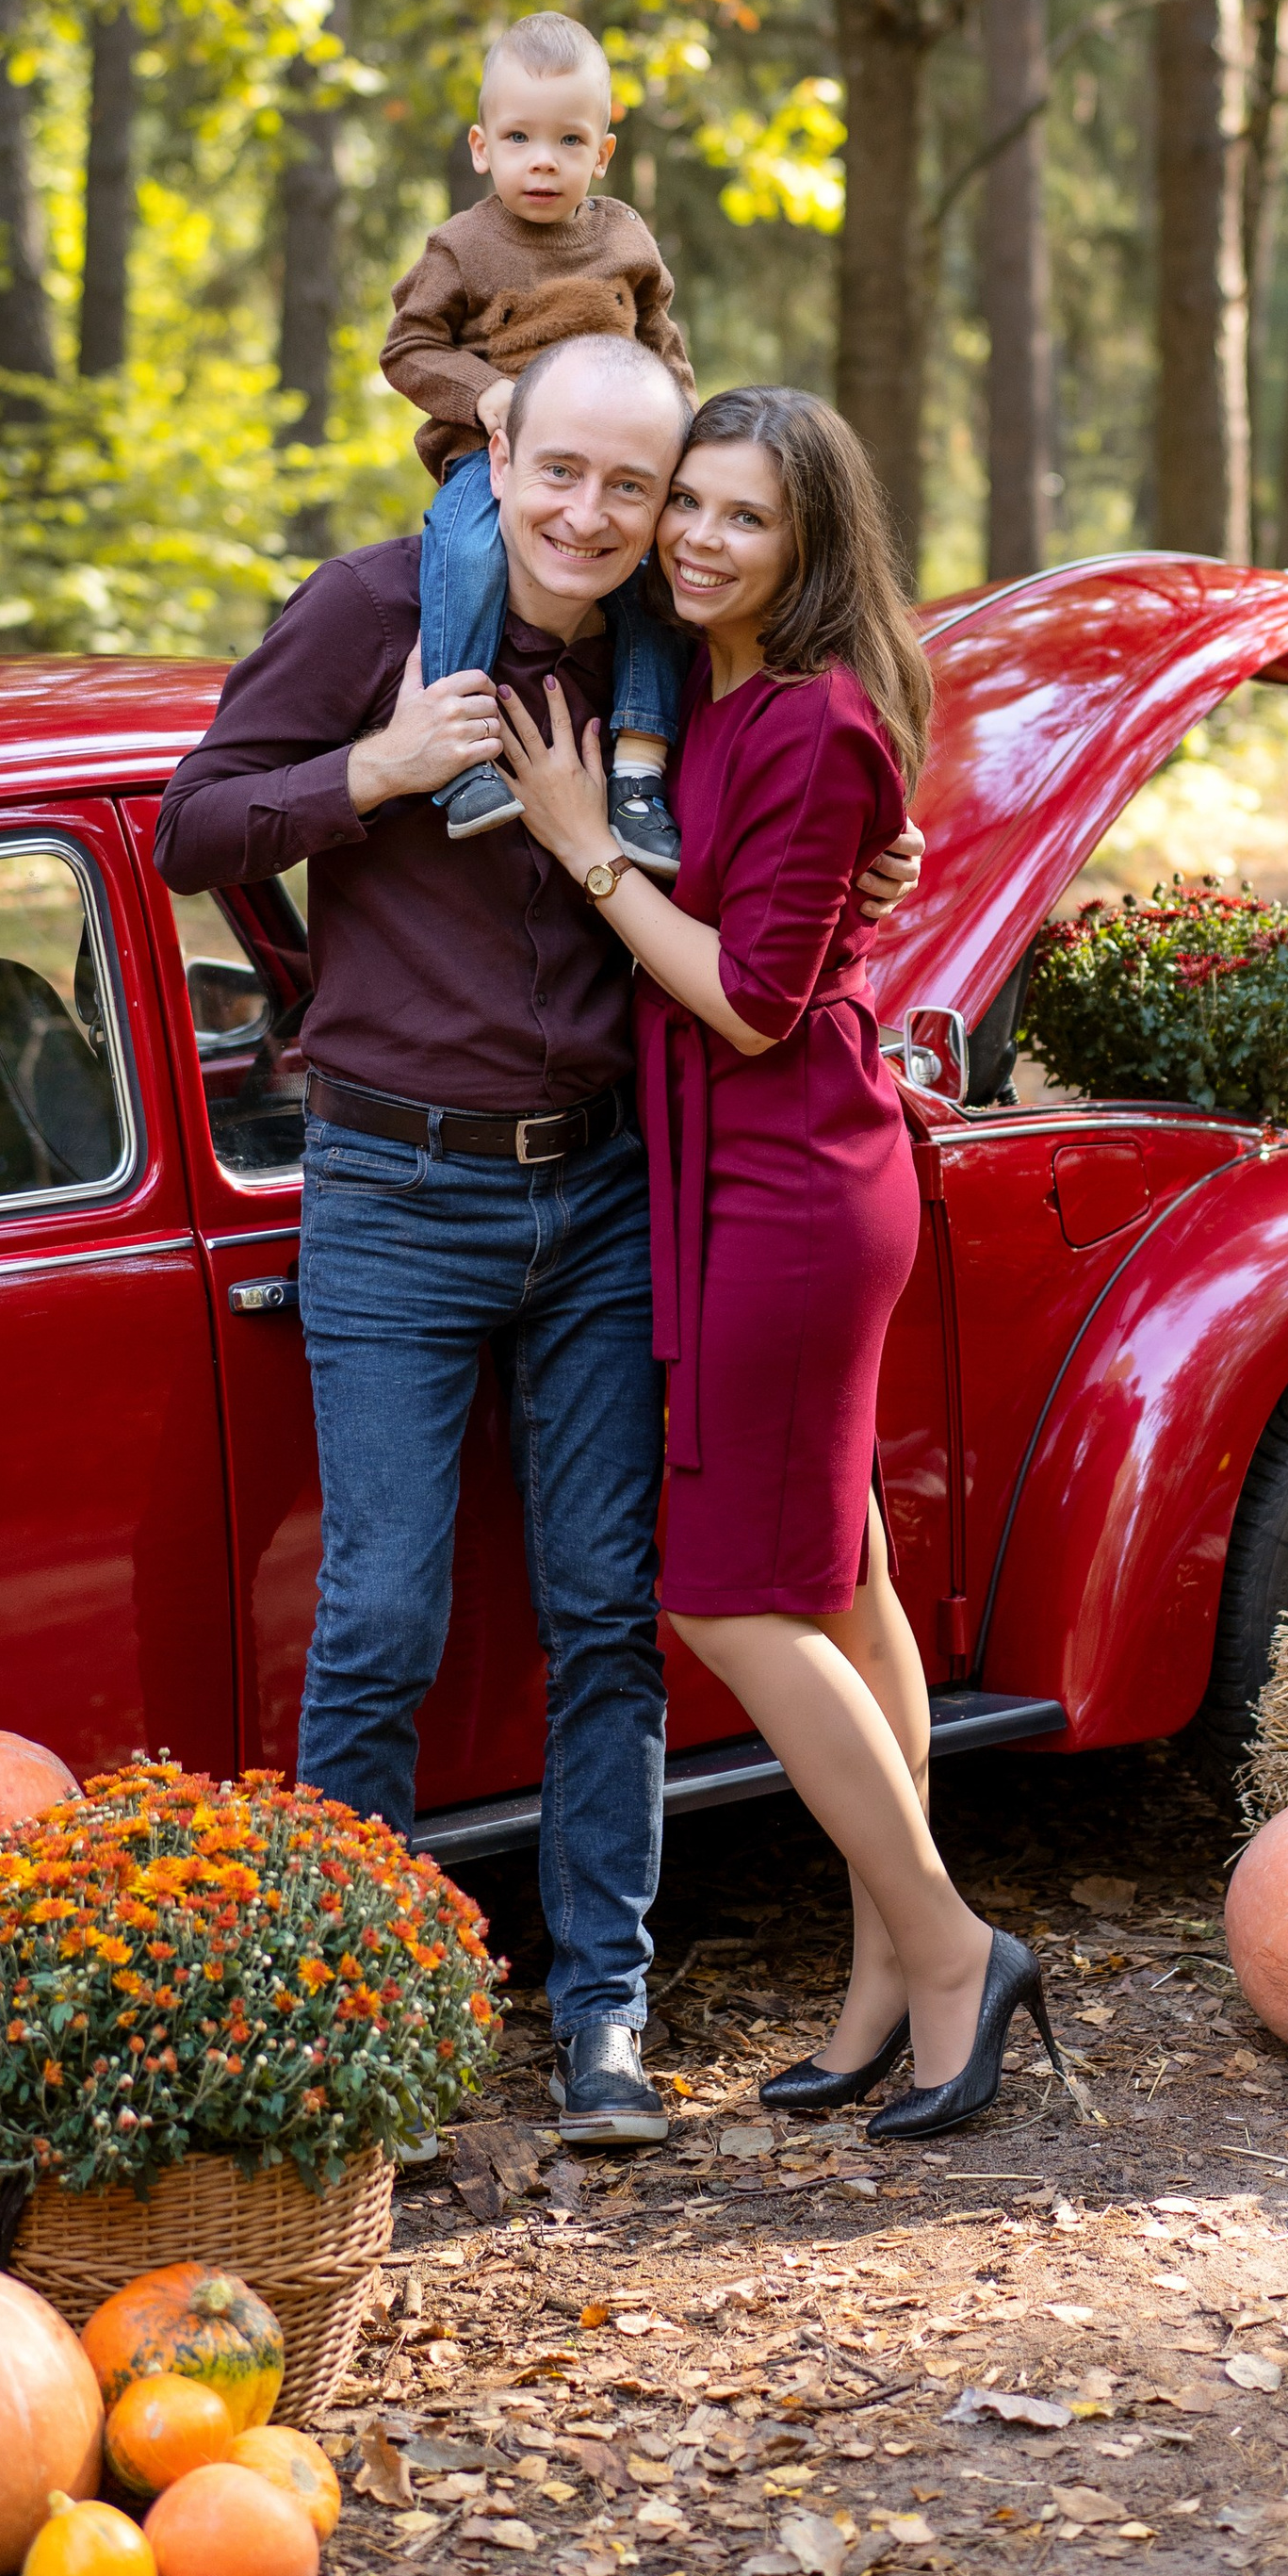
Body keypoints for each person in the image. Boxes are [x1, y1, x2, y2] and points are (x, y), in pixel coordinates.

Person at [152, 336, 922, 2146]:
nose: (592, 515)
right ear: (494, 446)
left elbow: (803, 855)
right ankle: (350, 2034)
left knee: (604, 1619)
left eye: (633, 489)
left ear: (669, 511)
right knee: (382, 1617)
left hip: (600, 1191)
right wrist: (375, 765)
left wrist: (884, 869)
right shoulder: (378, 610)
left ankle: (602, 2026)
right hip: (395, 1195)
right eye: (558, 470)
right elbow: (196, 825)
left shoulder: (679, 661)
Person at [497, 386, 1064, 2141]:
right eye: (692, 507)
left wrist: (584, 848)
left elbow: (748, 998)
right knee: (839, 1578)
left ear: (812, 541)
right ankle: (896, 1967)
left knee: (724, 1596)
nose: (698, 538)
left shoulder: (812, 724)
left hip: (794, 1192)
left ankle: (956, 1946)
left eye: (744, 516)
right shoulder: (720, 701)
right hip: (745, 1177)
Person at [383, 10, 693, 874]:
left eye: (568, 139)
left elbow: (664, 344)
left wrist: (686, 436)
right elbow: (407, 349)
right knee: (467, 555)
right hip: (495, 461)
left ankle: (638, 773)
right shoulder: (464, 246)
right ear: (483, 147)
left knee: (653, 586)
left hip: (615, 460)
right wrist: (489, 398)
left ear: (603, 153)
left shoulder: (625, 238)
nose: (543, 160)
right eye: (520, 138)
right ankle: (463, 756)